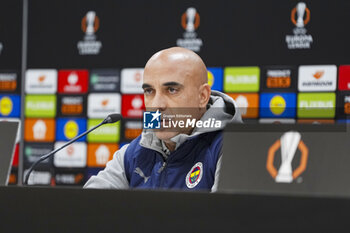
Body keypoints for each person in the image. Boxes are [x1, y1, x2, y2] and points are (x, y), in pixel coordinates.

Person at [84, 47, 242, 191]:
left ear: (202, 96)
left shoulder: (231, 148)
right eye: (149, 91)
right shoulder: (133, 153)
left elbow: (224, 220)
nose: (156, 105)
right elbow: (86, 207)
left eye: (172, 90)